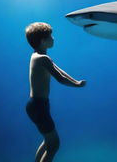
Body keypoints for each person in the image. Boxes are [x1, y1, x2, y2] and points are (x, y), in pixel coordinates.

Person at [25, 22, 86, 162]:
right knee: (54, 144)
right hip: (39, 106)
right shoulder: (42, 59)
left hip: (37, 105)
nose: (53, 38)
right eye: (50, 36)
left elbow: (59, 71)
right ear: (43, 40)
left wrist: (76, 81)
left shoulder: (38, 56)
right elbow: (60, 78)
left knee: (48, 141)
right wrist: (76, 86)